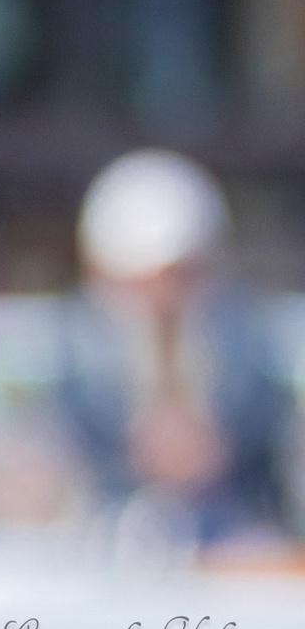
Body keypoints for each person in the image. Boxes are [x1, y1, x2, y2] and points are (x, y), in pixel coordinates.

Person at [54, 147, 294, 554]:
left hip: (236, 544)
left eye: (177, 277)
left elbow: (271, 465)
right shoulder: (75, 355)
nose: (160, 297)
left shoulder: (249, 348)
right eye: (140, 281)